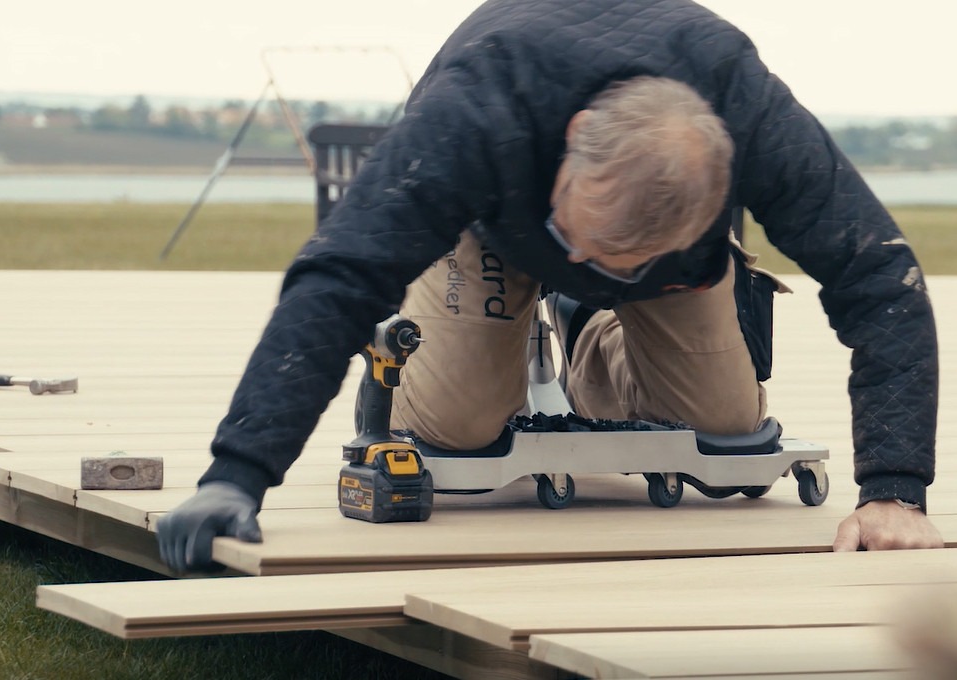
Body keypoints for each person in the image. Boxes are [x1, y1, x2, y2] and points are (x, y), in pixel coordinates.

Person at [156, 0, 943, 573]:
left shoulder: (749, 111)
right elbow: (343, 273)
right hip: (494, 225)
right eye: (586, 243)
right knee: (458, 430)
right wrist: (237, 475)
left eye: (617, 266)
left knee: (725, 431)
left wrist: (895, 493)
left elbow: (880, 277)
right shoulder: (477, 107)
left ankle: (590, 321)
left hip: (669, 257)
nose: (602, 266)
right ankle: (518, 297)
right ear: (571, 143)